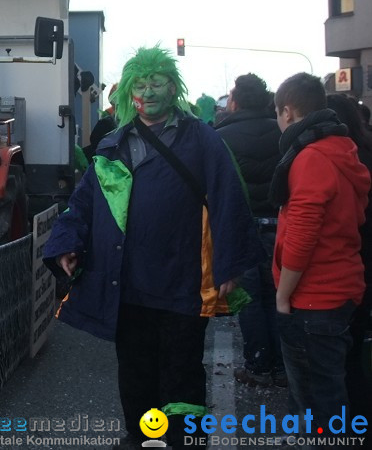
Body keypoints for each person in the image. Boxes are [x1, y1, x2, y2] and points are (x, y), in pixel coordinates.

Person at [42, 46, 256, 447]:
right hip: (126, 288)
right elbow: (85, 202)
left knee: (181, 374)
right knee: (136, 372)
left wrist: (230, 264)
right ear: (128, 93)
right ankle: (141, 439)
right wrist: (67, 243)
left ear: (173, 87)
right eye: (139, 84)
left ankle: (184, 443)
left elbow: (229, 198)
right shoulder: (114, 143)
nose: (148, 92)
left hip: (181, 284)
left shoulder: (202, 140)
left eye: (156, 82)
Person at [271, 74, 369, 435]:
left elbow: (302, 234)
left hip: (314, 298)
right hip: (339, 287)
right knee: (329, 394)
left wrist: (283, 295)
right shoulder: (340, 149)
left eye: (278, 114)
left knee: (317, 404)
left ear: (288, 111)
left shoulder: (310, 157)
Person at [214, 74, 285, 388]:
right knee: (281, 295)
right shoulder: (282, 133)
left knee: (251, 298)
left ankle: (257, 364)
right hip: (280, 224)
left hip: (242, 225)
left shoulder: (222, 135)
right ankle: (284, 366)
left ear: (236, 101)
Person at [325, 93, 372, 423]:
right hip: (363, 263)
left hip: (344, 268)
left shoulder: (329, 161)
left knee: (338, 360)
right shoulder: (363, 154)